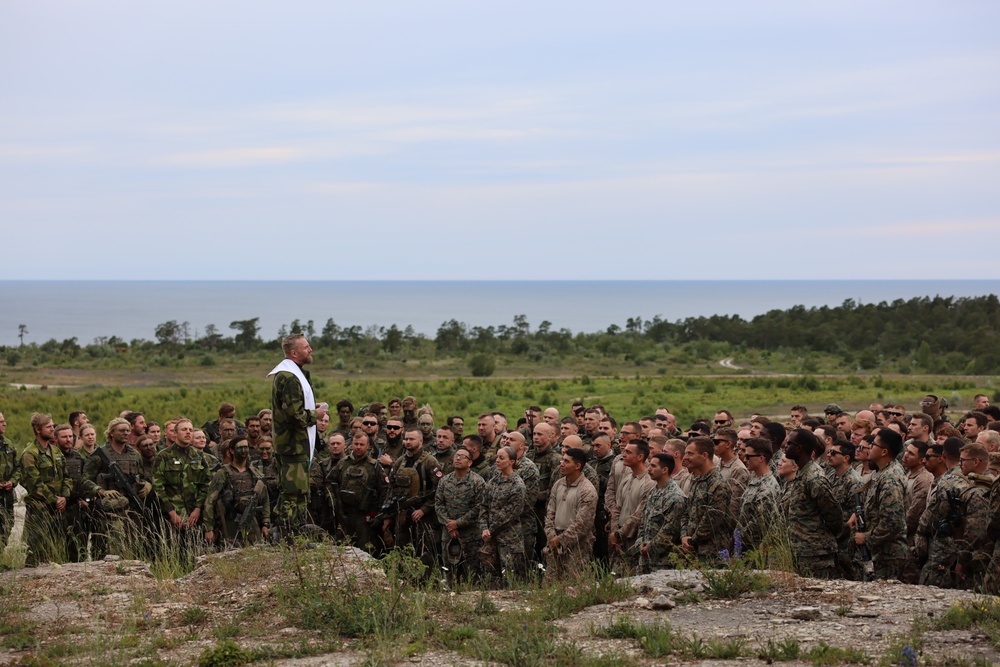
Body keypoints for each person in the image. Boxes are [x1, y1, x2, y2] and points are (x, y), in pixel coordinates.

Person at [268, 333, 329, 533]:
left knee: (299, 491)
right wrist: (316, 414)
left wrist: (312, 407)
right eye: (306, 347)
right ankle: (287, 535)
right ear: (294, 353)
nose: (310, 350)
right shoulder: (289, 378)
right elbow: (294, 416)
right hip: (293, 445)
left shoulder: (294, 374)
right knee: (293, 493)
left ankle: (296, 532)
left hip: (297, 444)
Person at [780, 428, 846, 579]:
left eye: (789, 443)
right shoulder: (801, 474)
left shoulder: (814, 478)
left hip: (817, 553)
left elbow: (834, 516)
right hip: (801, 550)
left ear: (799, 448)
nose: (785, 447)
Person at [851, 429, 909, 580]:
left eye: (873, 445)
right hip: (879, 552)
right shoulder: (881, 472)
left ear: (884, 452)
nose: (869, 448)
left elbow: (892, 522)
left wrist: (866, 537)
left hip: (888, 555)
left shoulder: (890, 478)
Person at [20, 413, 73, 566]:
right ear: (38, 430)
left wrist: (64, 496)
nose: (52, 429)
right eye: (49, 427)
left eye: (52, 426)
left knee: (58, 545)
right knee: (36, 546)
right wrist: (55, 500)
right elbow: (34, 484)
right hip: (40, 508)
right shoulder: (30, 454)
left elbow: (67, 477)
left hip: (58, 507)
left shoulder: (56, 452)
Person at [152, 418, 212, 539]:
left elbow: (206, 484)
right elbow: (158, 486)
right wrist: (171, 513)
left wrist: (198, 509)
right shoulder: (163, 456)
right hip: (172, 514)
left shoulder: (198, 455)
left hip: (195, 514)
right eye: (184, 429)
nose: (188, 432)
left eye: (190, 429)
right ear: (175, 433)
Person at [204, 437, 270, 546]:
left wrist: (265, 523)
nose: (244, 451)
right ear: (231, 451)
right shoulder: (222, 474)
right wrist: (209, 528)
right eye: (240, 448)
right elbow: (210, 501)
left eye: (246, 447)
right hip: (230, 523)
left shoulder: (255, 473)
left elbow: (265, 500)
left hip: (252, 523)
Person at [543, 448, 597, 580]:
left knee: (573, 582)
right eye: (562, 460)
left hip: (577, 545)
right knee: (550, 582)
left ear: (578, 466)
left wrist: (561, 540)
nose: (562, 463)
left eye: (566, 461)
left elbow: (582, 523)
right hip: (554, 541)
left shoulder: (587, 490)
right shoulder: (558, 484)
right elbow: (550, 512)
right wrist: (551, 535)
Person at [435, 445, 485, 583]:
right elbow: (439, 504)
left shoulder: (477, 481)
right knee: (450, 572)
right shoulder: (445, 481)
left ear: (470, 462)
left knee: (472, 574)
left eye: (463, 457)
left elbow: (480, 507)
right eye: (456, 455)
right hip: (449, 534)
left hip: (470, 535)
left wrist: (458, 523)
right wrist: (449, 524)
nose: (458, 458)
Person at [328, 431, 385, 552]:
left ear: (368, 446)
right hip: (343, 514)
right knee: (342, 549)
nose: (358, 447)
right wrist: (333, 502)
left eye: (362, 444)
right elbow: (329, 482)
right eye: (356, 444)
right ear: (351, 444)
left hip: (364, 516)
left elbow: (384, 490)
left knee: (365, 550)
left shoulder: (375, 466)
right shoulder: (343, 463)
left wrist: (379, 515)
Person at [680, 436, 733, 563]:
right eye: (686, 453)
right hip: (693, 550)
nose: (686, 457)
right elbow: (687, 511)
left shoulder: (718, 484)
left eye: (690, 453)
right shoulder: (697, 480)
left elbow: (712, 520)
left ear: (704, 455)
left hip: (712, 553)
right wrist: (683, 536)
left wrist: (691, 540)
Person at [633, 452, 687, 572]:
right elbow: (644, 520)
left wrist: (650, 547)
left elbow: (669, 531)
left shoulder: (675, 497)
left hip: (663, 562)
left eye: (653, 466)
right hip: (645, 558)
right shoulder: (653, 491)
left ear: (664, 470)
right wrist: (640, 542)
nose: (649, 469)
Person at [480, 447, 526, 586]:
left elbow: (509, 513)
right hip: (490, 538)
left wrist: (490, 529)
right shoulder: (493, 481)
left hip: (509, 540)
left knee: (510, 579)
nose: (497, 460)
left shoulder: (517, 485)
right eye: (497, 457)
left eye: (501, 458)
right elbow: (484, 506)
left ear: (511, 461)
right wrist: (483, 528)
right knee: (491, 578)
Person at [737, 437, 781, 554]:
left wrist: (738, 542)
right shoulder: (755, 479)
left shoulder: (768, 487)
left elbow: (758, 526)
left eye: (748, 457)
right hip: (743, 546)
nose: (744, 459)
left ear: (761, 458)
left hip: (754, 550)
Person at [0, 412, 20, 539]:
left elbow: (18, 467)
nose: (4, 424)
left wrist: (12, 481)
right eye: (1, 421)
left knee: (5, 530)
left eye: (4, 421)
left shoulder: (8, 444)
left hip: (6, 497)